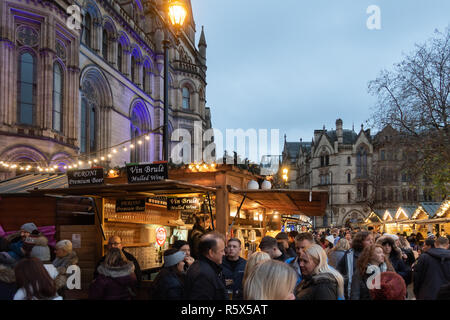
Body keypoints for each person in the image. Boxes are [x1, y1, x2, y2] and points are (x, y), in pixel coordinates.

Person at [184, 232, 227, 300]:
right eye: (222, 251)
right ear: (211, 252)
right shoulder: (203, 275)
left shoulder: (203, 267)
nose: (224, 254)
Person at [336, 231, 374, 299]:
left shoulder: (374, 254)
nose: (371, 242)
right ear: (360, 242)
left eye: (372, 239)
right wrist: (346, 281)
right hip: (353, 291)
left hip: (369, 292)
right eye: (368, 240)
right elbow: (339, 271)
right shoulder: (349, 254)